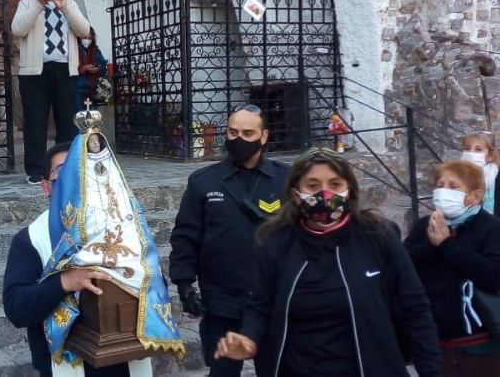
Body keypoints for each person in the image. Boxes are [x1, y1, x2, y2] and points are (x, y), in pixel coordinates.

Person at [214, 147, 442, 377]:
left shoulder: (377, 236)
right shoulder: (275, 242)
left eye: (335, 184)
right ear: (296, 194)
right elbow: (260, 305)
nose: (325, 194)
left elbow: (415, 308)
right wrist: (249, 337)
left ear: (349, 190)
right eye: (313, 186)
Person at [2, 143, 149, 377]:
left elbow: (153, 286)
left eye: (82, 171)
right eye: (63, 171)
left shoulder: (126, 231)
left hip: (124, 362)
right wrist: (64, 282)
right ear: (46, 187)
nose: (75, 179)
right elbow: (16, 309)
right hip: (64, 364)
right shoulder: (31, 239)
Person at [168, 104, 289, 376]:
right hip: (222, 300)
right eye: (233, 132)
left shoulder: (286, 180)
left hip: (272, 300)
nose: (238, 139)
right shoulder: (203, 182)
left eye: (248, 133)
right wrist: (184, 284)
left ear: (264, 136)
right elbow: (186, 236)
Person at [404, 159, 500, 376]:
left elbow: (493, 275)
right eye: (440, 185)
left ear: (475, 196)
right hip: (434, 341)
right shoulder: (425, 225)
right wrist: (431, 243)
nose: (443, 191)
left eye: (453, 186)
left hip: (480, 342)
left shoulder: (490, 227)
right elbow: (404, 265)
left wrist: (447, 245)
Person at [11, 0, 91, 185]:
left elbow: (84, 30)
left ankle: (63, 167)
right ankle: (36, 170)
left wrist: (64, 6)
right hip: (34, 72)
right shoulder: (27, 4)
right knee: (35, 122)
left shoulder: (70, 4)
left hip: (65, 70)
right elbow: (18, 29)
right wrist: (40, 3)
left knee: (66, 121)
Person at [460, 131, 499, 215]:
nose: (471, 153)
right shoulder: (455, 174)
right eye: (467, 148)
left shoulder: (496, 175)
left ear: (490, 156)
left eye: (478, 149)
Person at [75, 26, 108, 113]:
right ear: (79, 37)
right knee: (78, 116)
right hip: (77, 90)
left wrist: (98, 69)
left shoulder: (96, 51)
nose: (87, 41)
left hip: (91, 90)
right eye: (85, 38)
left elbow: (103, 69)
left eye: (90, 38)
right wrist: (84, 68)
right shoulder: (74, 50)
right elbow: (69, 69)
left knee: (89, 119)